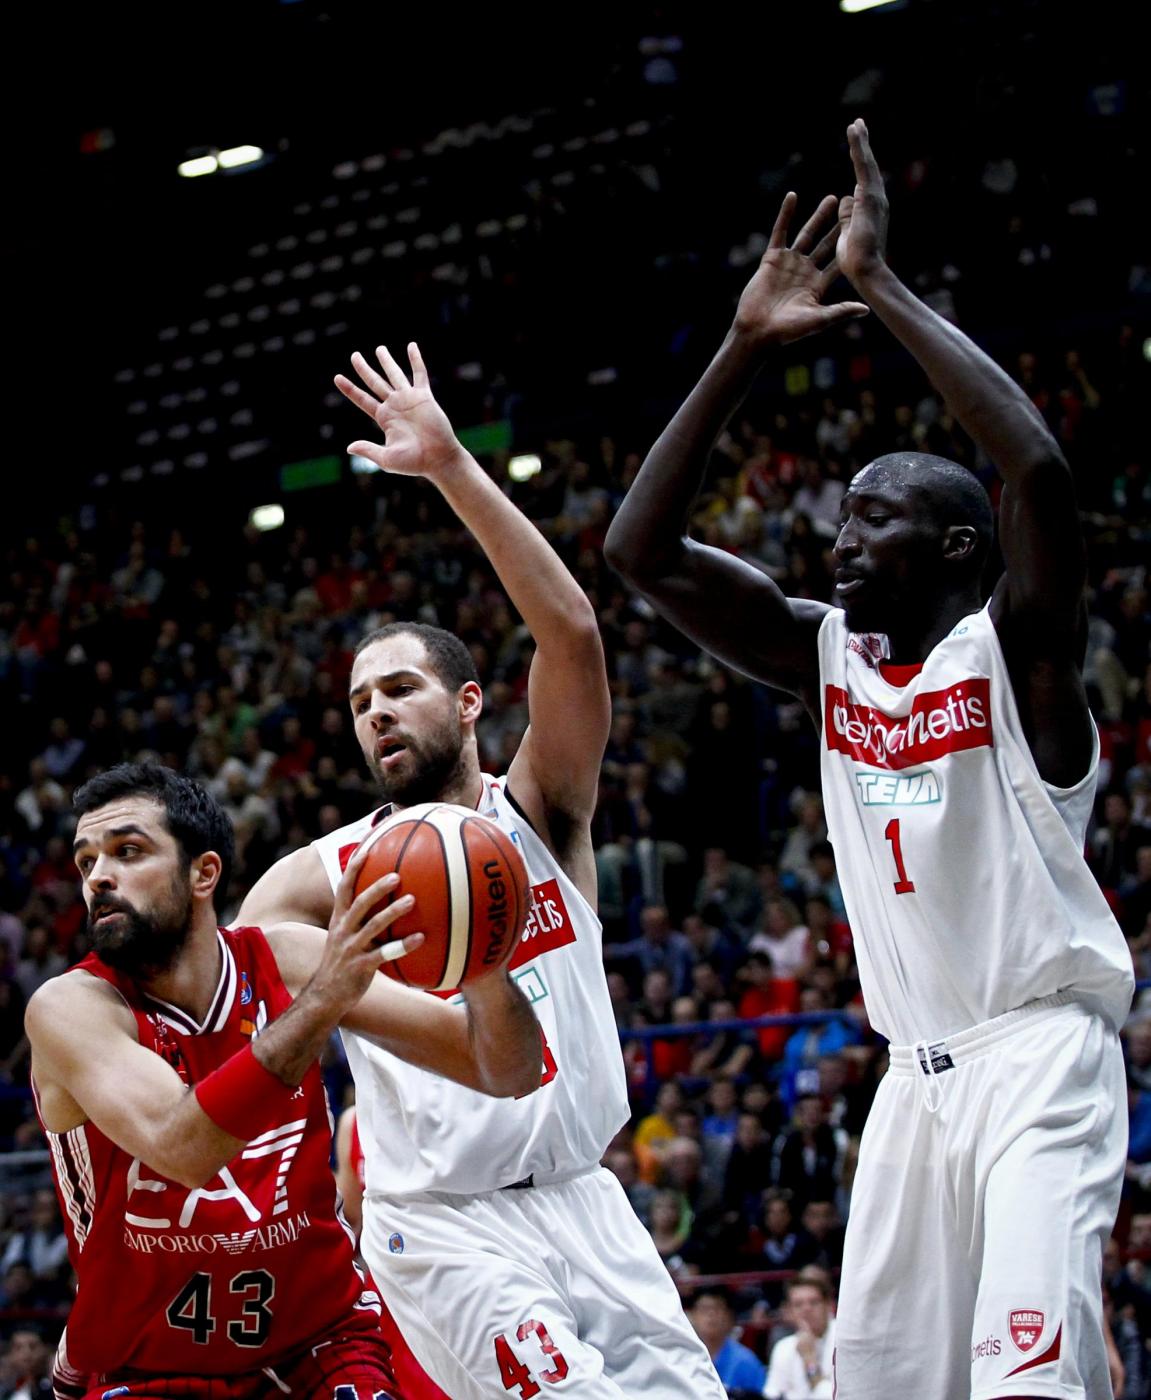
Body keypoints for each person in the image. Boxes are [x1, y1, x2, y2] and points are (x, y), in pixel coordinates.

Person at [605, 119, 1134, 1400]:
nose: (839, 542)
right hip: (909, 1084)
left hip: (1035, 1060)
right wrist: (739, 346)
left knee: (1029, 1385)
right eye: (840, 517)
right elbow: (639, 552)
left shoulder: (1020, 661)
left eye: (875, 518)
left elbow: (1037, 470)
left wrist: (880, 287)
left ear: (958, 548)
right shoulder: (828, 657)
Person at [239, 341, 726, 1398]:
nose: (376, 710)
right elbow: (251, 946)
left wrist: (452, 465)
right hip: (446, 1223)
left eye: (401, 686)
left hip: (589, 1200)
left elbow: (574, 635)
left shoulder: (540, 810)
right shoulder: (332, 869)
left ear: (466, 703)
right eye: (361, 700)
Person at [25, 762, 541, 1396]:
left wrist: (480, 960)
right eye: (85, 863)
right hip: (150, 1363)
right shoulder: (71, 1007)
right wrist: (322, 1002)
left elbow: (505, 1069)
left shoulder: (287, 958)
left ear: (203, 874)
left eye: (127, 851)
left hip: (321, 1341)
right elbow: (183, 1146)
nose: (99, 876)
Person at [763, 1276, 836, 1399]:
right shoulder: (783, 1347)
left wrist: (809, 1360)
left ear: (829, 1305)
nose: (806, 1309)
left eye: (814, 1302)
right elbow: (772, 1394)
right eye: (798, 1304)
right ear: (789, 1312)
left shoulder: (843, 1339)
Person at [686, 1287, 767, 1395]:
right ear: (692, 1315)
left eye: (717, 1308)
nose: (711, 1315)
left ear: (729, 1316)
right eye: (704, 1309)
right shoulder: (683, 1357)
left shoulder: (746, 1362)